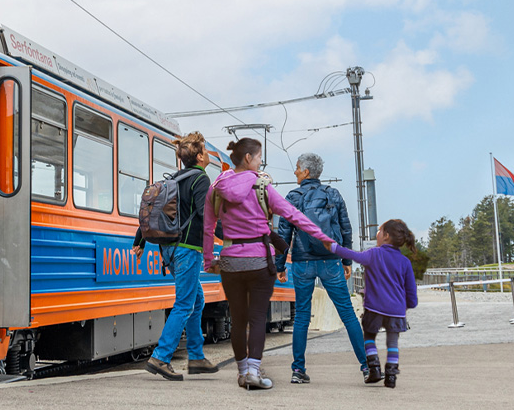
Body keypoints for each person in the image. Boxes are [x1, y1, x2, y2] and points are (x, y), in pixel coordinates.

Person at [202, 138, 334, 390]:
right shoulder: (262, 187)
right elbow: (293, 215)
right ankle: (253, 371)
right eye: (260, 157)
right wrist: (323, 237)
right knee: (258, 317)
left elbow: (208, 229)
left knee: (238, 319)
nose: (261, 161)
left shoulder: (216, 189)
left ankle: (242, 372)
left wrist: (209, 260)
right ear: (249, 158)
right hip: (260, 261)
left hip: (230, 261)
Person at [273, 153, 367, 384]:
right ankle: (368, 367)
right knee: (347, 314)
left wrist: (280, 265)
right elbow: (346, 229)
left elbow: (284, 234)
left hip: (303, 263)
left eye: (297, 168)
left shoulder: (292, 197)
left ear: (306, 172)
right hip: (330, 261)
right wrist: (346, 261)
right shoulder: (332, 194)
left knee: (302, 316)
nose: (294, 172)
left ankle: (298, 370)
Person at [134, 132, 219, 381]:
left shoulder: (174, 179)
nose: (209, 155)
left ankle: (196, 358)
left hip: (169, 250)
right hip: (187, 250)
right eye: (206, 150)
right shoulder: (201, 179)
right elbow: (206, 215)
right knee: (184, 304)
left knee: (197, 300)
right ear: (200, 156)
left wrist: (139, 241)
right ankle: (161, 357)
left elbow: (150, 213)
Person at [325, 219, 418, 389]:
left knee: (368, 336)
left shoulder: (374, 254)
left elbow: (353, 255)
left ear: (386, 236)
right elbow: (411, 292)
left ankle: (374, 367)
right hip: (396, 311)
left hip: (374, 308)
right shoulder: (405, 262)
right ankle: (391, 376)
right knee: (392, 342)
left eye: (380, 230)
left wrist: (333, 247)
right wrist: (409, 305)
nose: (378, 234)